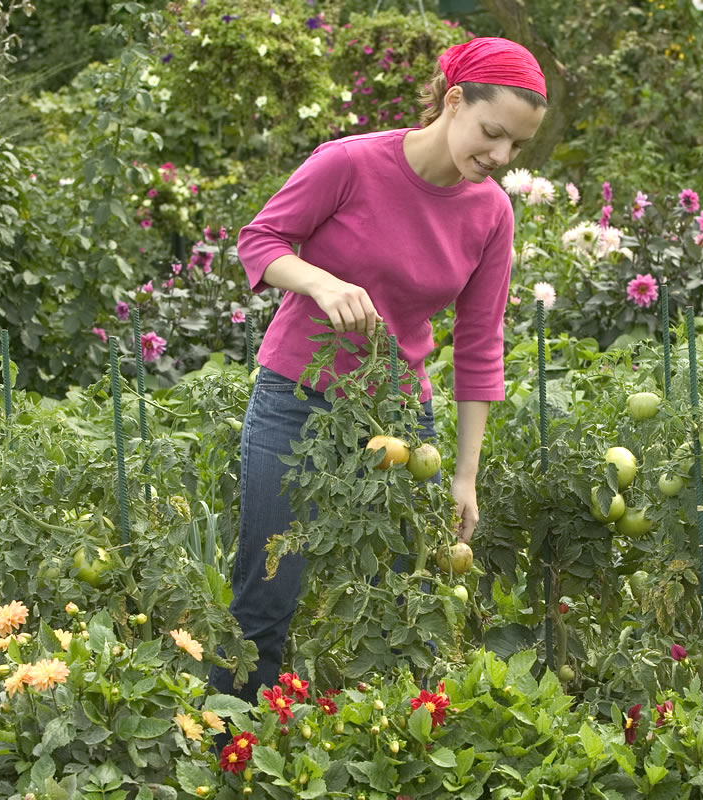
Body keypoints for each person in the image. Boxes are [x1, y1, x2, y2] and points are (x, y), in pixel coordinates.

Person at [208, 37, 548, 705]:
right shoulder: (350, 163)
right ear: (454, 101)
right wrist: (320, 283)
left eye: (516, 146)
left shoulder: (490, 213)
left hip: (395, 423)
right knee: (267, 596)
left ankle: (382, 749)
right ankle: (228, 749)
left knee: (401, 597)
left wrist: (464, 475)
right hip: (295, 400)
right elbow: (259, 240)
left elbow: (480, 346)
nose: (501, 157)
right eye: (491, 133)